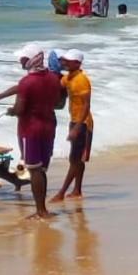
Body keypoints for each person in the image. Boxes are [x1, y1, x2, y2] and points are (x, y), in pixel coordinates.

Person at [0, 43, 60, 220]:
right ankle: (35, 199)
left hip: (31, 129)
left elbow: (19, 108)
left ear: (30, 60)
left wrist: (12, 111)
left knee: (34, 169)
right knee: (39, 169)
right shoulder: (53, 78)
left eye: (23, 58)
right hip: (49, 126)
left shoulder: (27, 82)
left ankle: (41, 211)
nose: (20, 61)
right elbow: (56, 102)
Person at [52, 50, 93, 202]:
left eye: (68, 61)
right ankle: (77, 190)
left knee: (74, 159)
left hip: (83, 123)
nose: (64, 63)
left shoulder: (81, 80)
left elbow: (86, 105)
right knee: (78, 159)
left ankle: (62, 193)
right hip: (74, 120)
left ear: (77, 63)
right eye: (64, 61)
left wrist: (77, 128)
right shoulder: (69, 77)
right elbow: (58, 84)